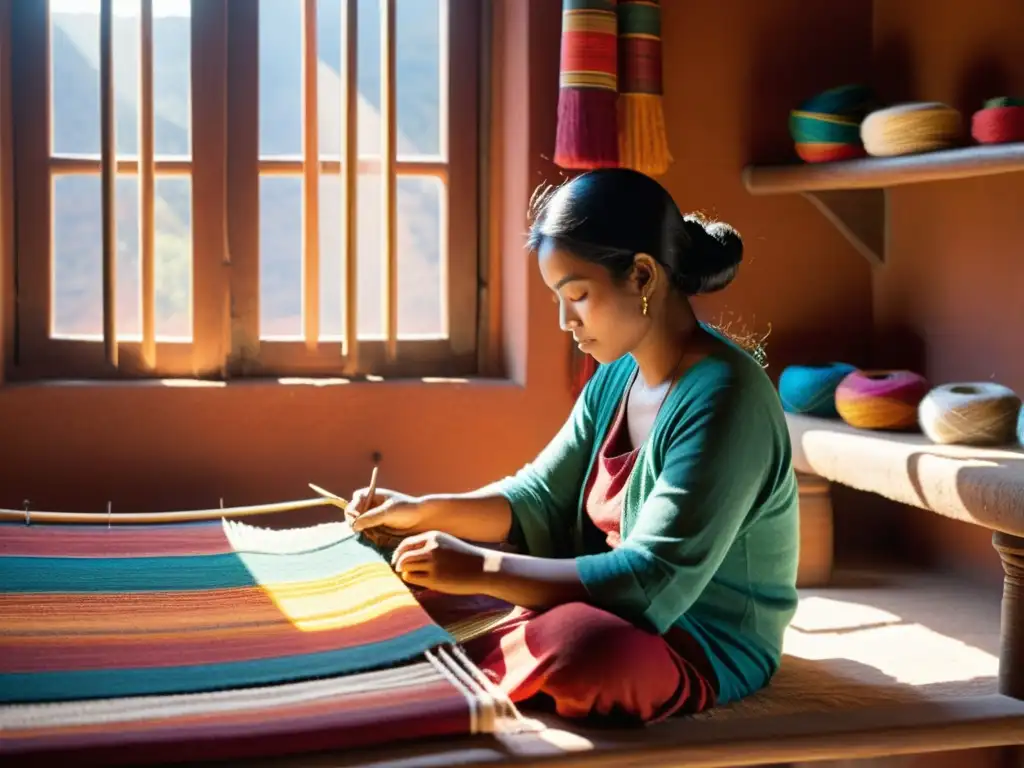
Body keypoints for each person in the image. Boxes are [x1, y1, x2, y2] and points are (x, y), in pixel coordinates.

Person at [346, 168, 800, 725]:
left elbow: (648, 580)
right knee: (398, 563)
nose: (566, 321)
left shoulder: (726, 398)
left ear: (642, 276)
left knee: (589, 648)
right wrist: (422, 511)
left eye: (578, 295)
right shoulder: (616, 375)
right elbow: (538, 497)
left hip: (692, 638)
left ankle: (457, 650)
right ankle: (480, 644)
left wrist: (481, 568)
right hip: (612, 598)